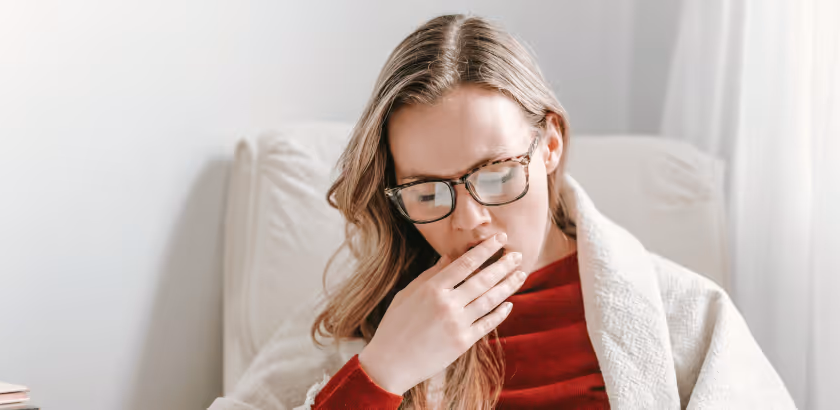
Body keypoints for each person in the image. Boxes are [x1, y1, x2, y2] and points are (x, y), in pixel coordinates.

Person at [208, 13, 795, 410]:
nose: (467, 221)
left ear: (551, 146)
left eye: (494, 175)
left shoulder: (686, 317)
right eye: (428, 191)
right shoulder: (361, 319)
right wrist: (382, 372)